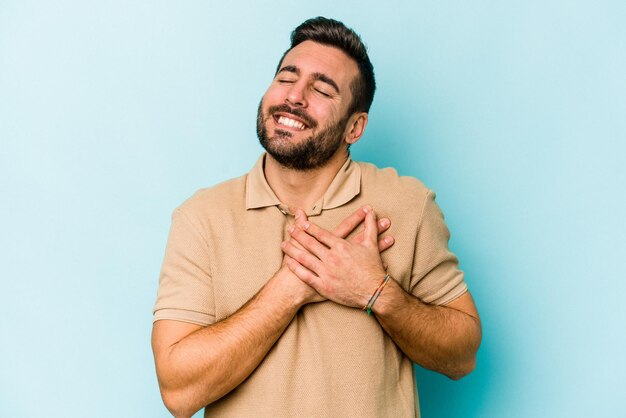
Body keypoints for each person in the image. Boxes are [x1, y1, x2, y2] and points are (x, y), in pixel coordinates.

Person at [152, 16, 481, 418]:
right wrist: (290, 288)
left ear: (354, 127)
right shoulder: (201, 218)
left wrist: (376, 292)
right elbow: (179, 392)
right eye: (286, 78)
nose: (295, 97)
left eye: (322, 88)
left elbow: (462, 356)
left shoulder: (407, 204)